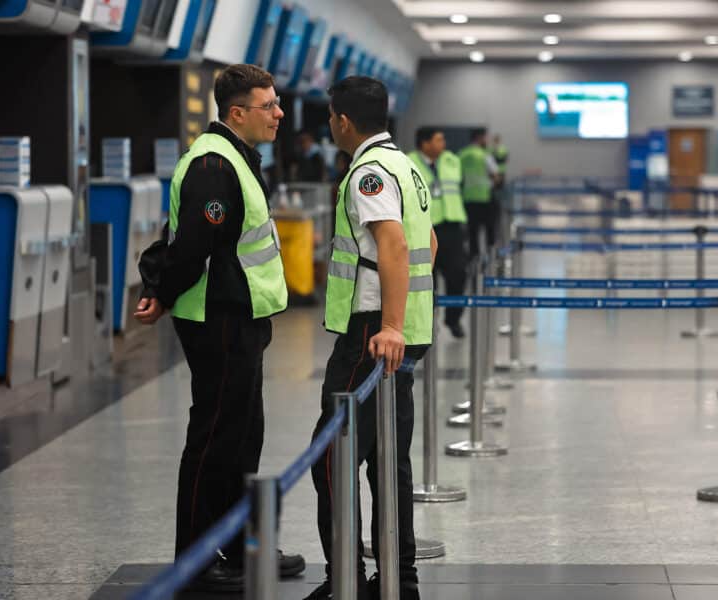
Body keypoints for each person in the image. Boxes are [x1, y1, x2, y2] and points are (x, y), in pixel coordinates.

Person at [133, 64, 304, 592]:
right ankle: (197, 557)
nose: (279, 114)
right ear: (237, 113)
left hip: (243, 314)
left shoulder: (239, 157)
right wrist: (161, 293)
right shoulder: (213, 164)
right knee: (213, 438)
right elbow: (192, 247)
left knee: (243, 436)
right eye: (269, 105)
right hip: (219, 318)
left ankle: (242, 544)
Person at [305, 76, 437, 600]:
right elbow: (427, 241)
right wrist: (407, 322)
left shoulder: (369, 173)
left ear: (341, 120)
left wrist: (389, 325)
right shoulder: (406, 165)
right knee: (388, 459)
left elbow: (396, 247)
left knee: (331, 457)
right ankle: (399, 583)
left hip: (373, 334)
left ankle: (347, 583)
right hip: (404, 332)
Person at [407, 127, 468, 338]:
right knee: (424, 278)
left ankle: (453, 319)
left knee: (458, 274)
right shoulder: (408, 162)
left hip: (452, 226)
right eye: (438, 139)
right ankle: (426, 324)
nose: (443, 143)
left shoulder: (452, 160)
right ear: (425, 143)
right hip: (423, 229)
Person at [459, 128, 501, 258]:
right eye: (485, 137)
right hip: (485, 198)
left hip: (467, 198)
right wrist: (491, 184)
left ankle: (474, 257)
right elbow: (496, 176)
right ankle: (491, 255)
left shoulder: (462, 154)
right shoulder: (485, 155)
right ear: (479, 138)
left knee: (472, 231)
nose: (487, 140)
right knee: (490, 229)